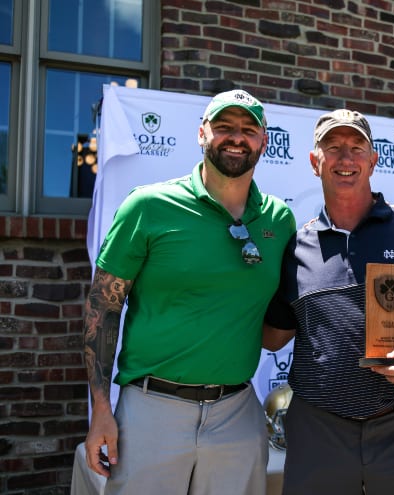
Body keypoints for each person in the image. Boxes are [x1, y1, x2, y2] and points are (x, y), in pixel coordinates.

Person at [82, 89, 296, 495]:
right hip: (152, 409)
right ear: (202, 134)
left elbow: (275, 325)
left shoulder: (278, 220)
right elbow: (102, 309)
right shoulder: (148, 206)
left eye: (249, 129)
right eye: (224, 127)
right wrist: (101, 410)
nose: (236, 138)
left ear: (264, 141)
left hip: (237, 413)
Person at [263, 109, 394, 495]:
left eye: (357, 147)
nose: (346, 158)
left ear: (373, 159)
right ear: (315, 161)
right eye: (333, 147)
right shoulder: (296, 247)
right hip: (318, 432)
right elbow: (273, 336)